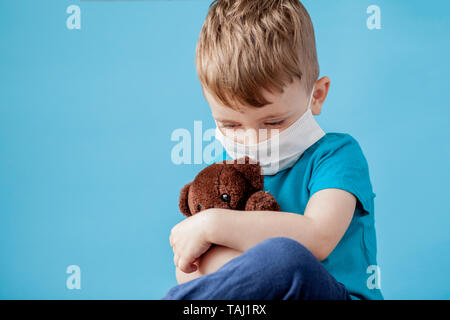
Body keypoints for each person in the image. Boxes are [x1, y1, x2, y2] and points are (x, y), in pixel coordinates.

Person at [163, 0, 383, 300]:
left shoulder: (336, 155)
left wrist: (213, 225)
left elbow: (316, 238)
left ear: (316, 96)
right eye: (231, 125)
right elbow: (191, 272)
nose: (252, 141)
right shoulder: (225, 174)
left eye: (273, 121)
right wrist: (240, 270)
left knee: (285, 256)